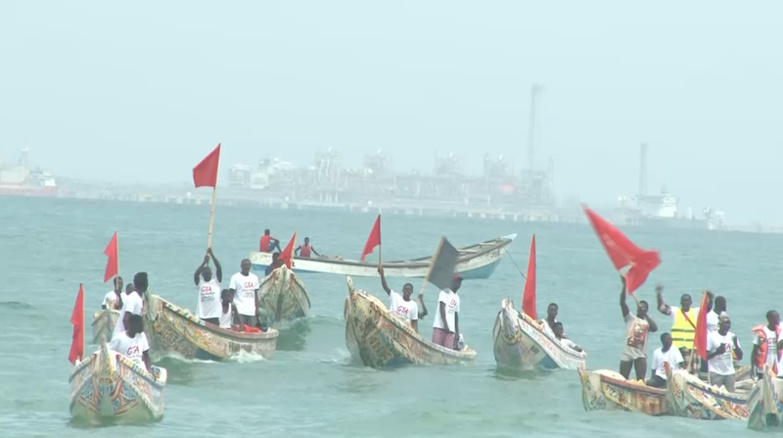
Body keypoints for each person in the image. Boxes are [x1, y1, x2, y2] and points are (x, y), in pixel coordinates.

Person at [656, 285, 709, 369]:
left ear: (691, 302)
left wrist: (708, 297)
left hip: (692, 348)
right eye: (683, 301)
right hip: (677, 348)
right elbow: (661, 308)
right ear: (680, 302)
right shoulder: (675, 311)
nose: (685, 303)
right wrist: (659, 294)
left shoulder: (695, 312)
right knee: (678, 371)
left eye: (687, 301)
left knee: (693, 373)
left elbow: (707, 309)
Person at [619, 277, 658, 380]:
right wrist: (624, 286)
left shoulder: (647, 323)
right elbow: (622, 303)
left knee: (640, 380)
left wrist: (645, 314)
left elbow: (655, 328)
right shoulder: (630, 318)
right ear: (637, 308)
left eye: (644, 307)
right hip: (627, 353)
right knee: (622, 378)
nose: (642, 308)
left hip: (640, 355)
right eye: (641, 306)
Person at [377, 266, 419, 332]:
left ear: (412, 292)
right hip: (391, 324)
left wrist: (416, 334)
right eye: (406, 289)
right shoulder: (395, 296)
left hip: (403, 329)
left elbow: (414, 322)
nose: (407, 291)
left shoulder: (413, 305)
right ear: (403, 290)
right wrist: (382, 274)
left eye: (409, 290)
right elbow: (385, 287)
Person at [707, 315, 742, 391]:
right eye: (725, 323)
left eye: (728, 323)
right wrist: (717, 352)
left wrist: (736, 344)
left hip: (729, 373)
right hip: (715, 372)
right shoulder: (711, 337)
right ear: (719, 324)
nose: (727, 326)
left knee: (730, 396)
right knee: (715, 395)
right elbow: (705, 357)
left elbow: (740, 357)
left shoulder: (732, 336)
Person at [193, 248, 223, 326]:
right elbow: (196, 274)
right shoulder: (200, 284)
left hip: (214, 316)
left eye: (209, 273)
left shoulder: (216, 282)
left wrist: (212, 255)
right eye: (206, 274)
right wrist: (204, 262)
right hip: (202, 316)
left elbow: (219, 268)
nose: (208, 275)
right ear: (202, 275)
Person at [229, 259, 260, 331]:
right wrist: (231, 308)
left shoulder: (254, 278)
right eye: (244, 265)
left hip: (251, 311)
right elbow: (231, 294)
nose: (246, 267)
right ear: (241, 266)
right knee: (238, 330)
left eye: (248, 265)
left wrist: (257, 308)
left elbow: (255, 295)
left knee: (251, 331)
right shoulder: (235, 277)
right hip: (239, 311)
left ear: (250, 266)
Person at [432, 274, 461, 350]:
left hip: (450, 330)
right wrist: (445, 324)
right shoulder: (445, 292)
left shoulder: (457, 298)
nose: (459, 283)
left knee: (448, 350)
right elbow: (442, 308)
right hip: (440, 327)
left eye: (460, 281)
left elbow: (455, 315)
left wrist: (457, 331)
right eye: (457, 281)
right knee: (436, 348)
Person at [113, 272, 146, 338]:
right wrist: (130, 338)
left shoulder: (139, 299)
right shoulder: (133, 297)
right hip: (121, 339)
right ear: (145, 285)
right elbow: (125, 319)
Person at [751, 310, 783, 379]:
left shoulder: (780, 333)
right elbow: (754, 352)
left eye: (778, 317)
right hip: (762, 369)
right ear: (770, 319)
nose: (778, 319)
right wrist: (752, 369)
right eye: (776, 317)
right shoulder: (760, 333)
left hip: (775, 368)